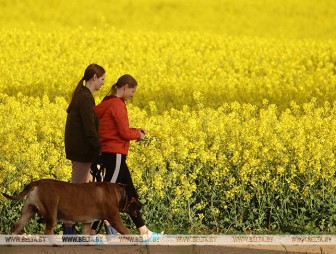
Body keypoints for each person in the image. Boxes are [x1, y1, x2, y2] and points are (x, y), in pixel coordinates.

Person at [91, 74, 163, 242]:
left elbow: (112, 130)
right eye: (132, 90)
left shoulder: (105, 103)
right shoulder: (117, 105)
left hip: (110, 153)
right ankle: (91, 234)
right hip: (115, 153)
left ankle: (144, 232)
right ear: (124, 87)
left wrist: (134, 131)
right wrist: (138, 133)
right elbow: (123, 132)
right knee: (107, 196)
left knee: (130, 193)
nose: (133, 94)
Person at [64, 63, 105, 234]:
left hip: (79, 151)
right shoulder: (86, 97)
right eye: (102, 79)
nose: (103, 83)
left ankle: (84, 231)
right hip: (82, 153)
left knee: (81, 192)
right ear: (94, 78)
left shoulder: (82, 94)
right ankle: (68, 232)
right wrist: (98, 150)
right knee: (76, 193)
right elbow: (89, 129)